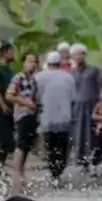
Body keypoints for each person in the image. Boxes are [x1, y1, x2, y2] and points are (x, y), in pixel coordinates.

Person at [36, 50, 77, 183]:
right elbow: (73, 99)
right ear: (60, 63)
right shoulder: (68, 77)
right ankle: (58, 171)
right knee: (62, 146)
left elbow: (35, 97)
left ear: (47, 63)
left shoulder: (39, 77)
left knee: (50, 146)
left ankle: (53, 173)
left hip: (46, 118)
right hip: (64, 118)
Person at [6, 52, 40, 193]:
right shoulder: (18, 78)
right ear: (23, 63)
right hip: (22, 114)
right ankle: (16, 172)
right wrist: (24, 102)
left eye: (34, 62)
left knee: (27, 145)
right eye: (29, 61)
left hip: (31, 114)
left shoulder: (33, 80)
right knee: (21, 143)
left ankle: (21, 170)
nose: (32, 64)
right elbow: (9, 95)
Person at [69, 43, 102, 171]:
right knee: (79, 133)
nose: (78, 57)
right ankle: (81, 160)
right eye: (75, 55)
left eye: (80, 54)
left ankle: (94, 159)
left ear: (84, 55)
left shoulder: (93, 70)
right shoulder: (71, 73)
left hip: (92, 106)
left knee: (92, 133)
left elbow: (100, 86)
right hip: (77, 108)